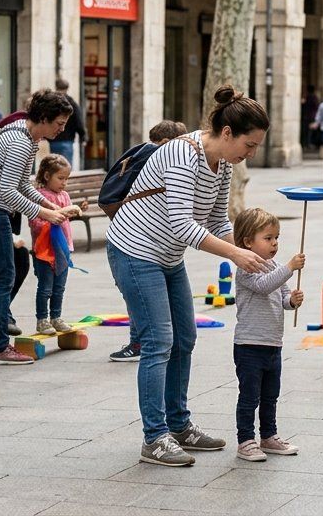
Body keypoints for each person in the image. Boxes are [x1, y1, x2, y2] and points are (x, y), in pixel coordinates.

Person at [105, 85, 271, 467]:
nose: (251, 153)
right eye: (249, 144)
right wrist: (234, 254)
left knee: (185, 337)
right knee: (158, 340)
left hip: (166, 255)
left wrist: (251, 253)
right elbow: (182, 224)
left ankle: (178, 425)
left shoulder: (224, 163)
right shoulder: (183, 153)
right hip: (134, 250)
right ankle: (154, 438)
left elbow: (214, 219)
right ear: (227, 133)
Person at [0, 90, 78, 365]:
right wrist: (46, 214)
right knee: (4, 277)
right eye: (59, 123)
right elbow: (8, 191)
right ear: (44, 118)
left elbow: (24, 184)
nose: (62, 129)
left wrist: (51, 208)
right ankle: (0, 348)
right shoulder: (20, 142)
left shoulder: (26, 135)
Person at [109, 119, 189, 364]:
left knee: (173, 334)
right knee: (156, 335)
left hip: (148, 244)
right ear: (166, 143)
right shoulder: (158, 157)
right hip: (137, 244)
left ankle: (137, 341)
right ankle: (137, 342)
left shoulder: (142, 153)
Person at [229, 207, 304, 463]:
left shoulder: (272, 265)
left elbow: (280, 295)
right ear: (248, 241)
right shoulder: (245, 266)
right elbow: (263, 286)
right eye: (268, 238)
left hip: (273, 343)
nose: (274, 243)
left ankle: (269, 436)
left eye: (276, 238)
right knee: (249, 396)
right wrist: (289, 267)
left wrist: (292, 301)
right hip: (249, 344)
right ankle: (245, 440)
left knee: (271, 394)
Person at [29, 154, 83, 336]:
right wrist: (59, 213)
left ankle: (56, 317)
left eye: (66, 179)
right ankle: (42, 320)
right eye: (60, 178)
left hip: (63, 249)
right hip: (45, 251)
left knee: (59, 287)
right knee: (45, 287)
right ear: (46, 176)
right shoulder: (39, 197)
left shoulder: (65, 196)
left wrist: (75, 210)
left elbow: (66, 219)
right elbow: (35, 223)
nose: (64, 183)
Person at [49, 78, 86, 164]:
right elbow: (79, 121)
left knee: (54, 167)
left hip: (53, 140)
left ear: (56, 87)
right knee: (65, 167)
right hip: (67, 140)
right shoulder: (71, 103)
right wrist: (83, 136)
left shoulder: (52, 102)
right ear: (67, 88)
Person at [301, 84, 320, 151]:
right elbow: (317, 106)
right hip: (312, 116)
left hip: (307, 116)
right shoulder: (314, 97)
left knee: (307, 131)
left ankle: (307, 144)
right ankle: (309, 144)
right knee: (310, 132)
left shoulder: (307, 97)